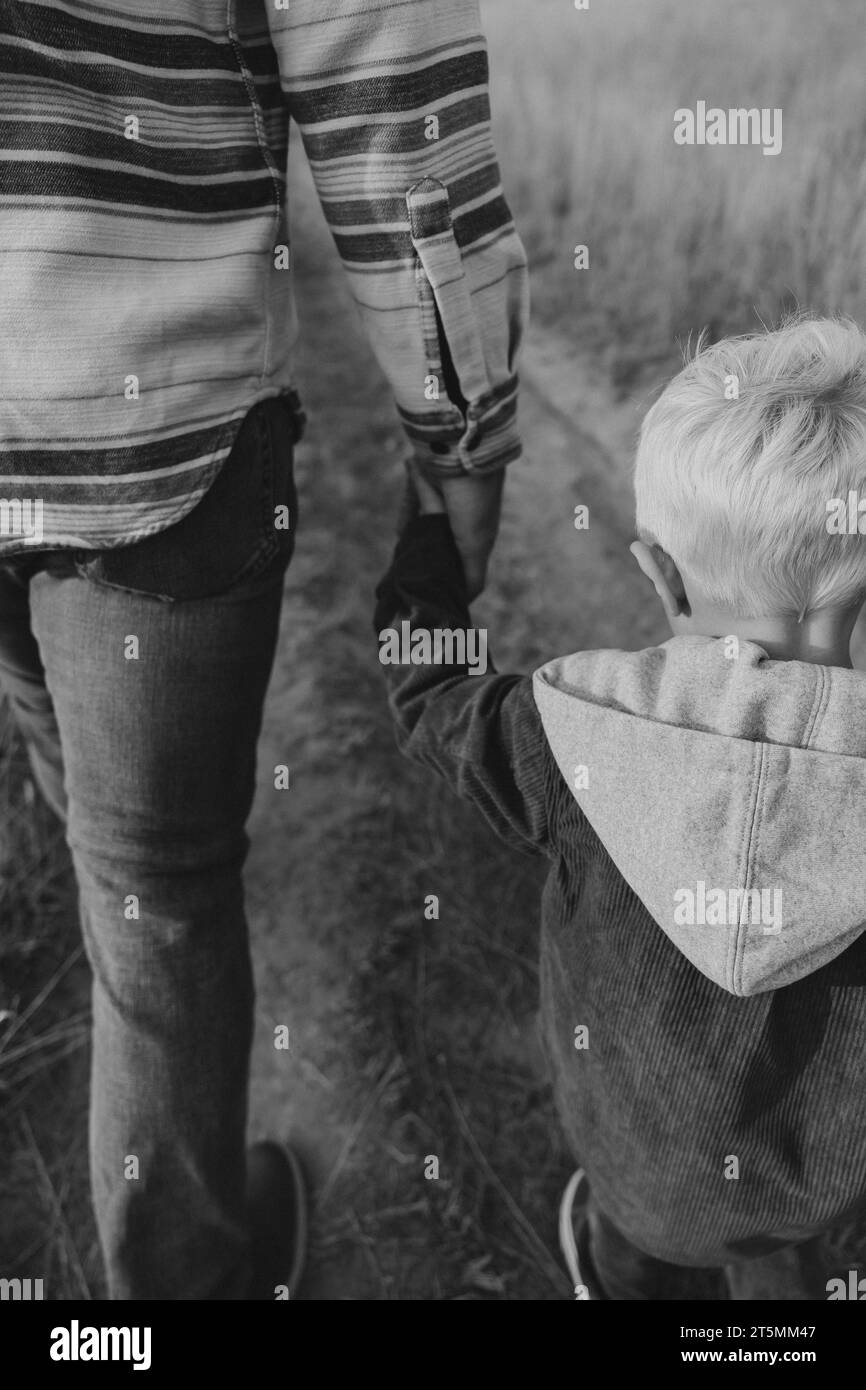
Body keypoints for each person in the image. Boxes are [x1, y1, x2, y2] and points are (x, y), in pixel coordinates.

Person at [0, 0, 528, 1299]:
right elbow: (385, 87)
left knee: (75, 785)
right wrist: (459, 443)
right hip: (146, 423)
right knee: (160, 891)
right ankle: (180, 1284)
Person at [375, 315, 866, 1300]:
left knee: (634, 1246)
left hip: (636, 1174)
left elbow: (426, 699)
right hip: (820, 1193)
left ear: (657, 573)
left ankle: (612, 1275)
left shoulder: (568, 734)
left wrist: (427, 555)